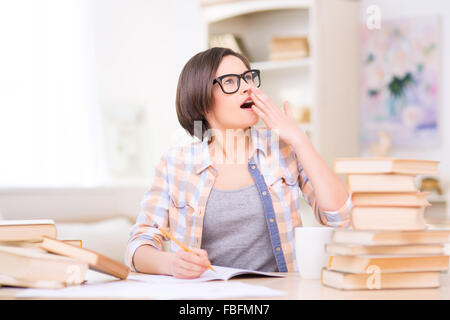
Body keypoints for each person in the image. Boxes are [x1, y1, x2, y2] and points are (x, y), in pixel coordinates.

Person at [125, 47, 352, 278]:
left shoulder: (283, 148)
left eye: (248, 78)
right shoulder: (176, 164)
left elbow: (340, 216)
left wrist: (299, 140)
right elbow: (138, 246)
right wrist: (171, 263)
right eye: (231, 81)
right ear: (202, 100)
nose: (247, 87)